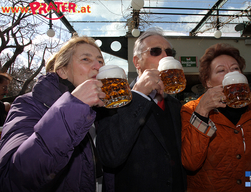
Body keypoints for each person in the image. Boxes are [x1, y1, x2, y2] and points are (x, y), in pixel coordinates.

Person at [0, 36, 106, 192]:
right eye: (86, 59)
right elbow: (14, 179)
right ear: (62, 71)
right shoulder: (28, 104)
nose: (98, 66)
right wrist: (74, 106)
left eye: (101, 61)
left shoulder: (103, 109)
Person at [96, 27, 187, 192]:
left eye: (169, 52)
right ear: (137, 62)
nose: (165, 56)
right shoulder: (112, 101)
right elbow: (110, 157)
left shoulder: (175, 105)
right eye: (156, 51)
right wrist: (137, 95)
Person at [180, 43, 251, 191]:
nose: (230, 74)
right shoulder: (191, 110)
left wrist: (249, 182)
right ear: (208, 82)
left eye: (235, 69)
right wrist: (202, 111)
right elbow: (191, 163)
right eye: (221, 70)